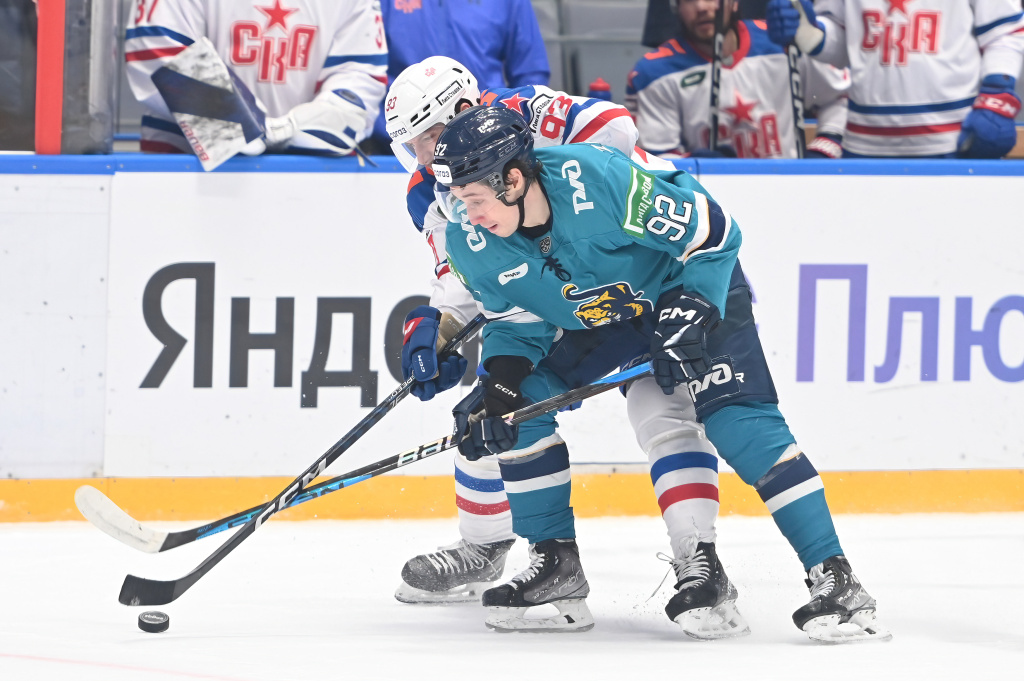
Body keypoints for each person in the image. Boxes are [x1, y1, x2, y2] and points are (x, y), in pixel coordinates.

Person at [123, 0, 388, 156]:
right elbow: (158, 49)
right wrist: (240, 126)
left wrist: (303, 131)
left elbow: (360, 73)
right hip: (185, 175)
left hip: (311, 180)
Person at [765, 0, 1024, 158]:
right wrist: (811, 34)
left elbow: (1005, 31)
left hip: (949, 141)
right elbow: (846, 42)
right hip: (864, 145)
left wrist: (996, 93)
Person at [626, 0, 850, 158]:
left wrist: (822, 151)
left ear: (734, 3)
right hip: (710, 200)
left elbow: (840, 96)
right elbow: (654, 161)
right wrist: (695, 166)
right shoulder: (654, 74)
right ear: (677, 7)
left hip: (791, 188)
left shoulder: (783, 44)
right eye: (689, 0)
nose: (702, 7)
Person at [366, 0, 550, 152]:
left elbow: (530, 69)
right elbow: (365, 70)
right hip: (398, 148)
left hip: (488, 142)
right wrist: (394, 135)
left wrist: (509, 133)